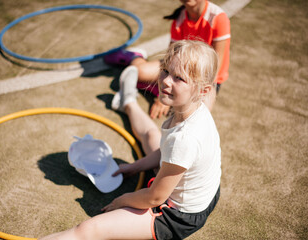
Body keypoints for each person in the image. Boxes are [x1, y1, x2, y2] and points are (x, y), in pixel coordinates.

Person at [39, 40, 221, 240]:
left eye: (179, 78)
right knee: (152, 136)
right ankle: (128, 102)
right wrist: (136, 167)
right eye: (166, 71)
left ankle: (128, 102)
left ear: (203, 91)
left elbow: (155, 197)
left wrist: (124, 200)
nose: (166, 81)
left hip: (177, 215)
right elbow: (167, 151)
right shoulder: (193, 110)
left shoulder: (186, 138)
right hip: (200, 191)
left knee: (88, 230)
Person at [104, 0, 230, 118]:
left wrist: (184, 90)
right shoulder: (179, 19)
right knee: (137, 71)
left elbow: (215, 68)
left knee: (197, 115)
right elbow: (170, 58)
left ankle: (152, 86)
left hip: (203, 79)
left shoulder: (218, 18)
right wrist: (164, 95)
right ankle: (135, 57)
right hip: (177, 71)